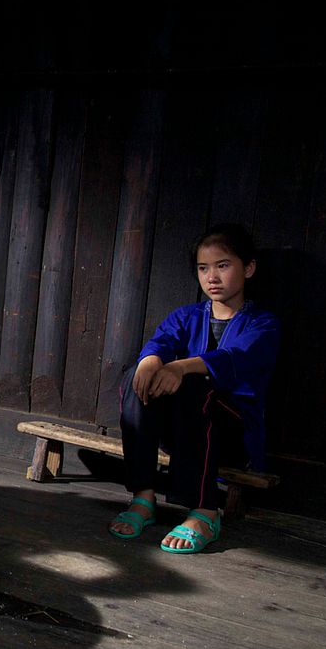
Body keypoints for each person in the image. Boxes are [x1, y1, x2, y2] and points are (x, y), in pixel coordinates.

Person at [108, 223, 281, 553]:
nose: (211, 277)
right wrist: (151, 360)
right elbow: (161, 341)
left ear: (249, 268)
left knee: (195, 386)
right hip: (182, 432)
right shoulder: (186, 316)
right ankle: (143, 498)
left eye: (223, 265)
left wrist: (181, 366)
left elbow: (235, 358)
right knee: (136, 376)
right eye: (203, 268)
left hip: (233, 434)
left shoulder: (264, 324)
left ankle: (203, 511)